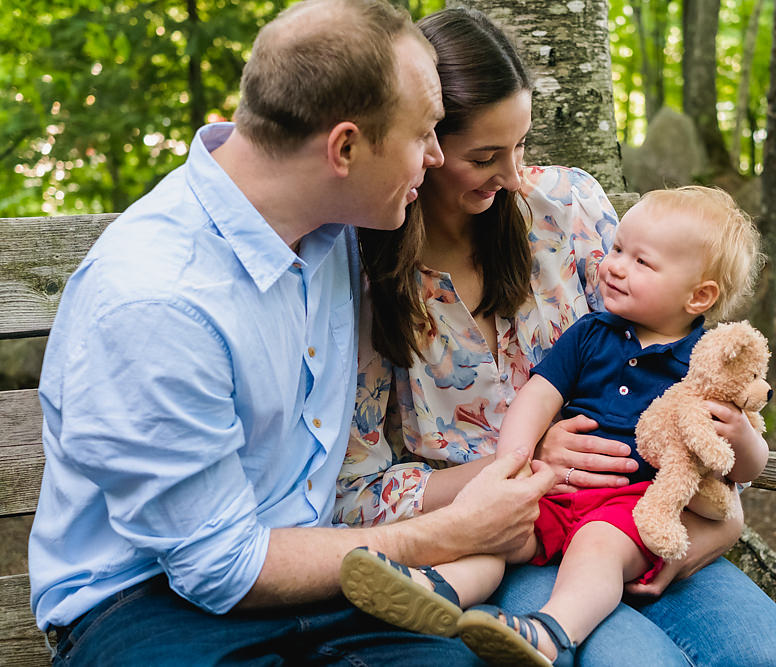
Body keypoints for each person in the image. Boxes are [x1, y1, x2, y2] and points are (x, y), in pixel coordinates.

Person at [28, 1, 557, 664]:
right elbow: (219, 568)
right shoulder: (159, 300)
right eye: (423, 134)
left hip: (322, 575)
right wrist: (446, 531)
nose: (434, 156)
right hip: (149, 602)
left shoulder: (333, 225)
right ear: (344, 147)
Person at [334, 7, 776, 666]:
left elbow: (683, 363)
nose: (514, 176)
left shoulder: (569, 211)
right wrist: (525, 466)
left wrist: (722, 520)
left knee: (769, 656)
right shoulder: (365, 281)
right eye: (485, 156)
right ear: (425, 147)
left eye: (521, 145)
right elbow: (356, 496)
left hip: (647, 513)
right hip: (515, 535)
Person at [342, 186, 776, 665]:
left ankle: (550, 632)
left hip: (631, 509)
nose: (613, 266)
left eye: (641, 263)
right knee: (500, 536)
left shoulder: (704, 364)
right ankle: (434, 591)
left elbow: (745, 465)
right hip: (556, 494)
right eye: (616, 250)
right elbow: (537, 397)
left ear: (699, 295)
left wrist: (742, 439)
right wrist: (513, 467)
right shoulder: (592, 332)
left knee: (597, 547)